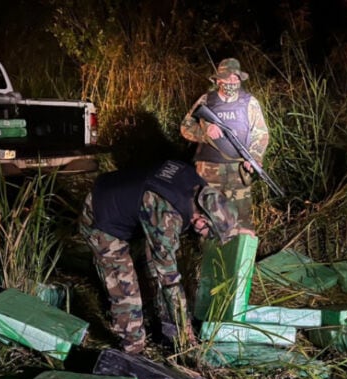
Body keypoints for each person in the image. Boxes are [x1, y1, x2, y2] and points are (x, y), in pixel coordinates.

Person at [79, 159, 251, 355]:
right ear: (201, 219)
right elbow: (170, 281)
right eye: (208, 233)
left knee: (149, 268)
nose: (205, 237)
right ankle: (132, 349)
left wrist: (236, 229)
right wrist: (186, 334)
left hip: (121, 196)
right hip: (100, 215)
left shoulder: (200, 189)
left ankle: (157, 320)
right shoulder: (167, 218)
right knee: (125, 285)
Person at [180, 57, 269, 230]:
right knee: (208, 218)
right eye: (227, 78)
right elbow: (185, 127)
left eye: (235, 78)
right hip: (208, 171)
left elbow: (261, 134)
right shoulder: (206, 101)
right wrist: (205, 133)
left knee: (241, 219)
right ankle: (211, 255)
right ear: (218, 80)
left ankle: (241, 254)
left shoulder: (249, 103)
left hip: (238, 171)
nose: (231, 81)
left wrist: (255, 156)